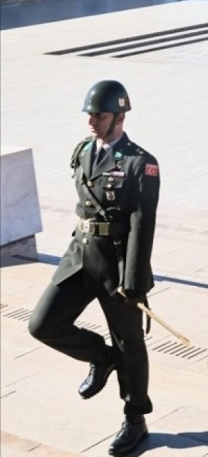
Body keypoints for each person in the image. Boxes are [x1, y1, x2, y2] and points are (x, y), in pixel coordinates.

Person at [28, 80, 159, 457]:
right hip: (79, 254)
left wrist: (134, 281)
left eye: (99, 115)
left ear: (119, 117)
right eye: (89, 114)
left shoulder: (140, 163)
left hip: (116, 263)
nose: (91, 121)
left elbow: (141, 223)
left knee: (130, 343)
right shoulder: (82, 151)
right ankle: (101, 359)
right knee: (42, 324)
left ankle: (135, 419)